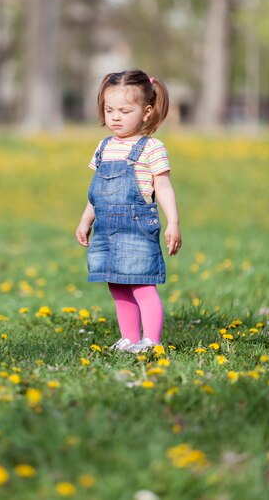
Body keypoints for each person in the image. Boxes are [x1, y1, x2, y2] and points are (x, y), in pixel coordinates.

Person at [75, 70, 182, 353]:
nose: (115, 117)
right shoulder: (104, 147)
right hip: (107, 229)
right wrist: (86, 220)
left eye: (124, 110)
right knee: (117, 285)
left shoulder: (152, 148)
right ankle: (130, 338)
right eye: (109, 110)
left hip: (137, 227)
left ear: (146, 112)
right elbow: (96, 191)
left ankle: (152, 341)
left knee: (142, 285)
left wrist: (173, 222)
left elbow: (165, 188)